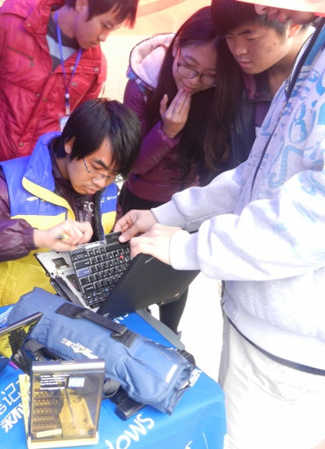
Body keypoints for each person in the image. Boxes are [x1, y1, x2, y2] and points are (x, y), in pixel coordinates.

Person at [114, 1, 325, 448]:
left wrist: (188, 247)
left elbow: (311, 219)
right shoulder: (309, 61)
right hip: (252, 316)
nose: (240, 47)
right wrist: (165, 214)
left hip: (294, 343)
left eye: (250, 33)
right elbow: (252, 177)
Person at [0, 98, 141, 308]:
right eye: (95, 168)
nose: (101, 182)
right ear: (70, 143)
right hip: (20, 313)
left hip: (85, 312)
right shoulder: (13, 181)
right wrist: (37, 237)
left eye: (112, 175)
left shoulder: (107, 189)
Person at [119, 6, 242, 332]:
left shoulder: (221, 94)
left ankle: (171, 335)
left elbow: (220, 164)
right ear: (176, 47)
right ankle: (134, 339)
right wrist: (167, 132)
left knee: (174, 281)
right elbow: (132, 165)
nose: (193, 80)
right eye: (188, 65)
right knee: (133, 280)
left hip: (192, 203)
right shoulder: (143, 83)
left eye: (209, 75)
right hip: (142, 200)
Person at [0, 0, 138, 183]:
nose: (104, 37)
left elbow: (80, 125)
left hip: (37, 173)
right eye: (105, 26)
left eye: (112, 30)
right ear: (81, 3)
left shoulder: (95, 67)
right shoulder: (9, 22)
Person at [212, 0, 311, 168]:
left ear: (292, 24)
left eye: (251, 38)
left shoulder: (318, 81)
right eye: (229, 37)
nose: (238, 51)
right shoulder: (234, 75)